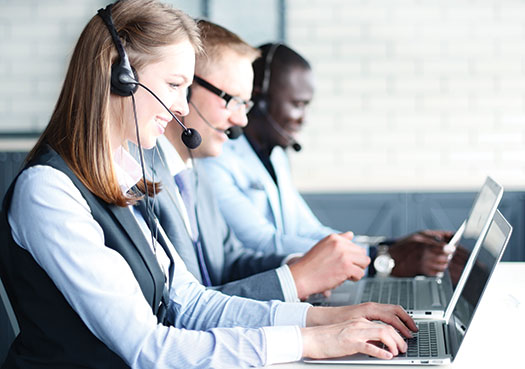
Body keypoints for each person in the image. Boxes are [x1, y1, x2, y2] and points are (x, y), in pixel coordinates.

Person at [0, 1, 417, 367]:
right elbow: (151, 349)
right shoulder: (49, 192)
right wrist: (313, 341)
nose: (181, 108)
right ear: (118, 76)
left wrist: (327, 320)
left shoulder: (123, 171)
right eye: (174, 86)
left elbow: (189, 302)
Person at [146, 19, 370, 302]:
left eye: (245, 104)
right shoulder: (142, 181)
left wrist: (294, 266)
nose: (241, 120)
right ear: (185, 89)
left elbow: (230, 262)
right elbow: (182, 311)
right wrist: (297, 282)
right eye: (231, 99)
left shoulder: (194, 176)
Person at [200, 43, 453, 278]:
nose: (303, 118)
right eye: (298, 104)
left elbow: (307, 229)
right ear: (259, 101)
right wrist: (376, 259)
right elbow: (263, 242)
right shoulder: (215, 158)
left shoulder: (275, 156)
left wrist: (388, 246)